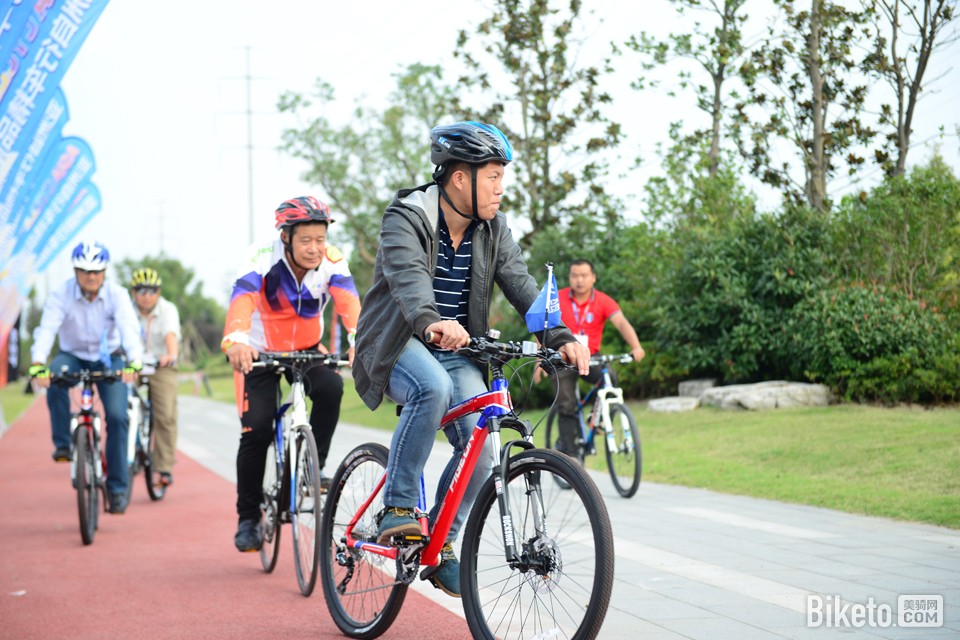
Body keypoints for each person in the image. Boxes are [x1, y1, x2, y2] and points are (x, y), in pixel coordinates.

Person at [353, 121, 590, 598]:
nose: (501, 188)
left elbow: (522, 284)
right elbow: (408, 277)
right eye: (494, 176)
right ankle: (397, 507)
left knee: (485, 435)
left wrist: (561, 334)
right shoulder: (408, 215)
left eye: (503, 176)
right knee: (431, 388)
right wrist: (431, 319)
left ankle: (440, 542)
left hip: (460, 349)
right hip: (396, 340)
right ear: (460, 177)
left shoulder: (492, 228)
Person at [223, 195, 361, 553]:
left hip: (306, 349)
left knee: (331, 387)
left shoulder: (332, 261)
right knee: (257, 427)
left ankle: (313, 470)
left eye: (321, 239)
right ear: (286, 237)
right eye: (306, 240)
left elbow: (350, 305)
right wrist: (237, 340)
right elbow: (242, 297)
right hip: (259, 351)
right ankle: (248, 518)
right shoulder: (261, 257)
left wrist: (360, 341)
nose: (316, 248)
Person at [28, 241, 144, 515]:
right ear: (75, 271)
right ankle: (63, 445)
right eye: (84, 271)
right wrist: (36, 363)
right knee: (54, 377)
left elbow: (129, 329)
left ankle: (116, 488)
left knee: (117, 417)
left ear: (104, 272)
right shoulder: (61, 294)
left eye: (97, 271)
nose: (91, 277)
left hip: (110, 359)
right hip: (73, 355)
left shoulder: (117, 294)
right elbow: (47, 329)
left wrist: (134, 362)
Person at [534, 258, 646, 456]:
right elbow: (542, 327)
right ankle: (569, 456)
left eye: (584, 275)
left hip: (591, 356)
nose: (579, 280)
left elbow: (621, 323)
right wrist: (538, 360)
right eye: (575, 275)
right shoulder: (557, 298)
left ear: (593, 278)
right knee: (566, 402)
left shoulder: (603, 300)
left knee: (609, 377)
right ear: (569, 277)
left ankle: (600, 417)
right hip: (563, 357)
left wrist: (636, 346)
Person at [129, 267, 181, 488]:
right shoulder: (126, 310)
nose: (146, 295)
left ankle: (164, 468)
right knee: (118, 402)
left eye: (151, 290)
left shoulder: (167, 309)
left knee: (166, 415)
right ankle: (126, 449)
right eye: (141, 290)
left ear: (158, 292)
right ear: (133, 293)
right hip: (133, 364)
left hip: (161, 365)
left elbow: (170, 335)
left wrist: (170, 356)